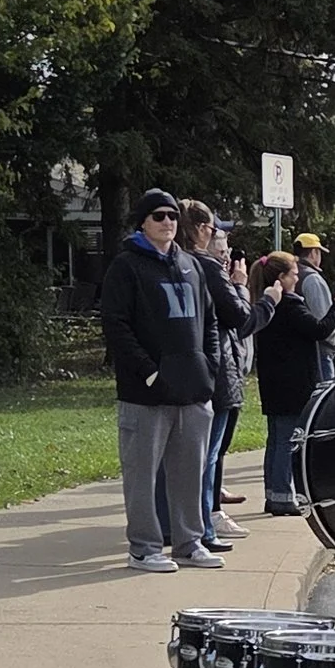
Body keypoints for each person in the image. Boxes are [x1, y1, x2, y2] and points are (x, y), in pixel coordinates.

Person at [98, 189, 222, 572]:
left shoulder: (190, 264)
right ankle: (144, 548)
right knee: (142, 475)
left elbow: (211, 321)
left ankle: (189, 542)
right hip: (144, 396)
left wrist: (210, 367)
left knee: (189, 472)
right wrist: (149, 371)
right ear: (142, 222)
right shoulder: (126, 266)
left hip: (193, 392)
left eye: (171, 215)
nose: (167, 221)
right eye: (157, 216)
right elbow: (116, 326)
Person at [252, 249, 335, 511]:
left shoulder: (266, 304)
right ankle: (281, 496)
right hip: (293, 383)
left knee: (276, 439)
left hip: (273, 382)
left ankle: (273, 493)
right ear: (282, 278)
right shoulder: (290, 306)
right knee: (287, 441)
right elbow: (319, 329)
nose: (298, 277)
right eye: (294, 274)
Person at [190, 211, 252, 548]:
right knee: (209, 453)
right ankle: (205, 524)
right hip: (216, 373)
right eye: (221, 242)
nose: (227, 254)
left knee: (213, 452)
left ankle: (204, 517)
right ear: (202, 233)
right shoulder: (207, 268)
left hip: (216, 370)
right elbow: (239, 317)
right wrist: (242, 287)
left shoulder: (188, 265)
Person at [292, 234, 335, 370]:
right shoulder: (313, 279)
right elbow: (323, 318)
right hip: (320, 350)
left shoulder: (292, 273)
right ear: (314, 252)